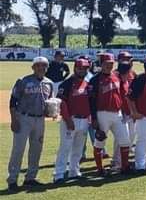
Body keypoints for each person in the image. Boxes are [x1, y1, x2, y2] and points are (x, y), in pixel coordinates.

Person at [7, 57, 56, 188]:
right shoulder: (23, 81)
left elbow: (50, 102)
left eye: (44, 66)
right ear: (33, 67)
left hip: (39, 120)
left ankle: (30, 178)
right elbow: (13, 101)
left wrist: (52, 112)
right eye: (38, 65)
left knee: (36, 149)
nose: (41, 68)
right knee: (18, 149)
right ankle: (12, 179)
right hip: (23, 118)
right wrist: (14, 120)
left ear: (47, 68)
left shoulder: (49, 83)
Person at [54, 58, 93, 183]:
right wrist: (67, 119)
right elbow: (61, 103)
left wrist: (90, 117)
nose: (82, 70)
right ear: (75, 68)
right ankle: (59, 174)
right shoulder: (67, 84)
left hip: (84, 120)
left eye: (85, 68)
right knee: (65, 147)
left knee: (78, 148)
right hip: (71, 119)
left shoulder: (87, 83)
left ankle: (74, 171)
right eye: (80, 68)